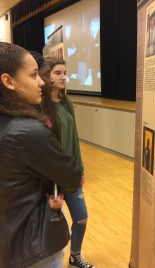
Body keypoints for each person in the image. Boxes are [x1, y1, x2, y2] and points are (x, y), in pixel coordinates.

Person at [0, 42, 82, 268]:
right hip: (34, 245)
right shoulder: (28, 131)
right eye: (34, 74)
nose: (41, 82)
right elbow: (71, 175)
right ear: (8, 81)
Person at [44, 56, 95, 268]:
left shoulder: (67, 102)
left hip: (71, 173)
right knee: (53, 224)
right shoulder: (41, 108)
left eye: (64, 72)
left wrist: (80, 168)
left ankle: (75, 256)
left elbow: (74, 138)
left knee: (81, 218)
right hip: (52, 178)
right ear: (47, 76)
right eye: (57, 73)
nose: (63, 77)